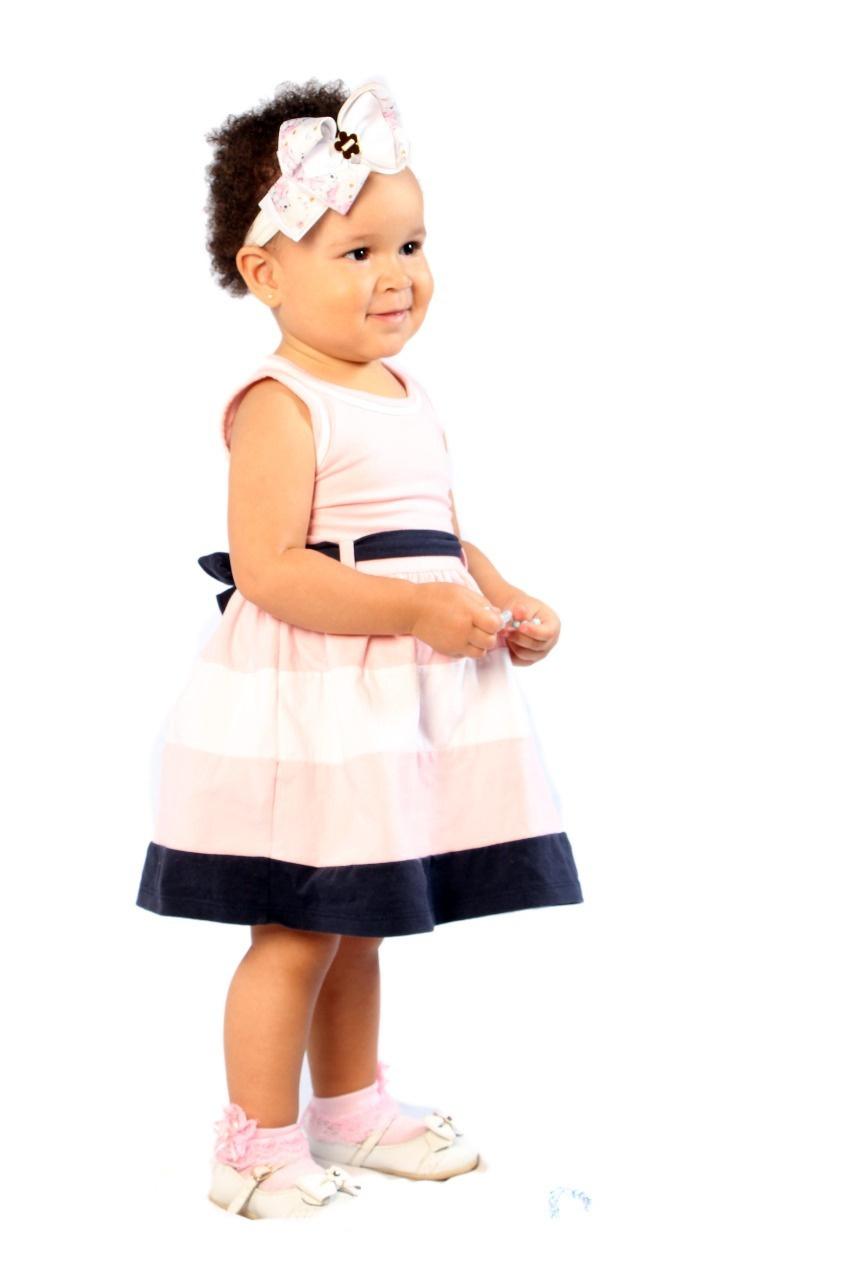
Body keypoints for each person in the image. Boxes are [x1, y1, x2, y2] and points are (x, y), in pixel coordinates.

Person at [135, 76, 584, 1220]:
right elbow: (271, 568)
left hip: (386, 711)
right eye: (357, 251)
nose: (397, 274)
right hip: (312, 709)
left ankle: (348, 1107)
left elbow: (438, 536)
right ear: (266, 271)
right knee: (294, 928)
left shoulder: (404, 390)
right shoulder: (280, 400)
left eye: (412, 245)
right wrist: (412, 613)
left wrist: (500, 598)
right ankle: (253, 1145)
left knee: (360, 921)